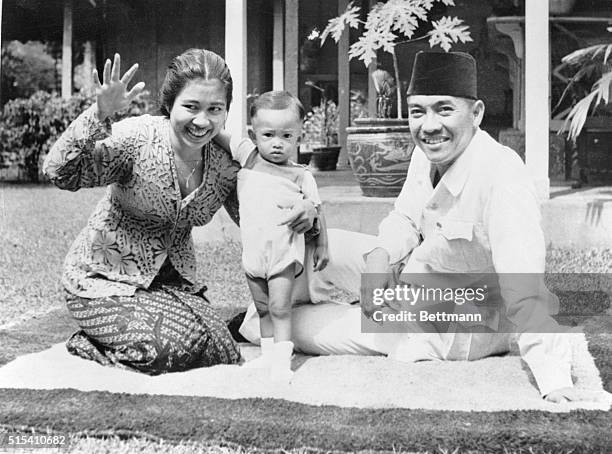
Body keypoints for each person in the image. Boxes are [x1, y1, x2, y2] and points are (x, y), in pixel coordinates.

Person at [237, 51, 605, 404]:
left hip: (463, 317)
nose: (429, 126)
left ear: (476, 113)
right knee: (306, 250)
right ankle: (289, 305)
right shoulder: (426, 151)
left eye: (444, 109)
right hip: (412, 276)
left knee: (281, 326)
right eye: (418, 111)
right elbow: (406, 218)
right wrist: (381, 255)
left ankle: (276, 318)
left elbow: (525, 287)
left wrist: (554, 380)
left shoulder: (503, 177)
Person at [43, 49, 316, 374]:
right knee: (167, 350)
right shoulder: (137, 139)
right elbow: (60, 171)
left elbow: (258, 219)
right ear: (170, 104)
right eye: (191, 107)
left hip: (173, 284)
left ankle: (164, 327)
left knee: (222, 350)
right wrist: (99, 113)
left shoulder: (223, 166)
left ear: (226, 112)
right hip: (103, 280)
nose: (202, 121)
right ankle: (87, 343)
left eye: (214, 109)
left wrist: (304, 204)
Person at [216, 91, 329, 382]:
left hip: (283, 251)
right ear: (253, 135)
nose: (277, 143)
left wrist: (321, 245)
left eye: (286, 136)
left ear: (299, 136)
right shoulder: (248, 156)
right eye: (268, 135)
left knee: (280, 307)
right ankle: (267, 357)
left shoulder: (301, 175)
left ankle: (282, 363)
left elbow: (317, 210)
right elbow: (218, 133)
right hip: (253, 252)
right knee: (263, 308)